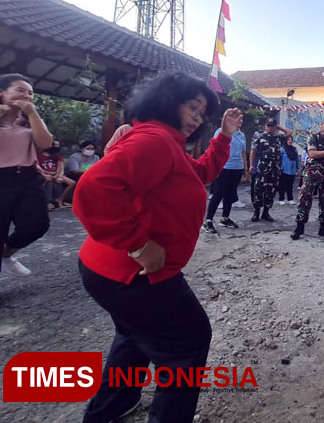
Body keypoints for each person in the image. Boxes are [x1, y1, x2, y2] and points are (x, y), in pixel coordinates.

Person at [73, 72, 242, 423]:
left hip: (110, 271)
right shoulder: (155, 140)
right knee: (188, 341)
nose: (197, 116)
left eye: (202, 110)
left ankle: (110, 408)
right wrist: (139, 245)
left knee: (134, 337)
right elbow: (94, 188)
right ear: (166, 100)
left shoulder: (166, 142)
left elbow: (201, 172)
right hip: (134, 274)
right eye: (190, 106)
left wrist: (224, 136)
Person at [0, 74, 53, 309]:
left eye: (30, 93)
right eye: (20, 90)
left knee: (37, 224)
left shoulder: (29, 120)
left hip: (26, 177)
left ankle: (6, 253)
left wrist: (32, 113)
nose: (27, 96)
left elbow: (45, 144)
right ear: (0, 91)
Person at [291, 116, 324, 239]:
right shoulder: (313, 137)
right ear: (321, 125)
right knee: (305, 199)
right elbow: (312, 153)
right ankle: (299, 227)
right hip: (312, 173)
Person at [203, 122, 248, 233]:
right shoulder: (221, 131)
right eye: (236, 118)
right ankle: (208, 221)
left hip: (237, 167)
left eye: (240, 118)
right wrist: (215, 167)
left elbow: (243, 153)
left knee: (230, 193)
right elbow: (214, 149)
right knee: (218, 193)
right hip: (224, 167)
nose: (238, 120)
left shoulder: (241, 135)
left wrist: (245, 169)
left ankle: (225, 218)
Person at [249, 117, 291, 222]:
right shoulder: (259, 137)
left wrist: (279, 127)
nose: (270, 128)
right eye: (268, 125)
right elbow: (253, 151)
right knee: (258, 189)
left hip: (275, 169)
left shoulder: (279, 138)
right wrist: (251, 165)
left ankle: (266, 212)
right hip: (263, 167)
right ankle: (256, 212)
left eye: (272, 126)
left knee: (271, 191)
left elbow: (290, 132)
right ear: (265, 125)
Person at [37, 139, 76, 210]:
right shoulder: (39, 156)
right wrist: (47, 173)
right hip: (44, 174)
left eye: (58, 145)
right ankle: (47, 202)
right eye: (55, 145)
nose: (57, 147)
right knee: (48, 180)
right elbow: (38, 167)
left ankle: (60, 199)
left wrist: (57, 175)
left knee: (72, 183)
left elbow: (60, 167)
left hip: (56, 174)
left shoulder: (56, 156)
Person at [278, 135, 301, 205]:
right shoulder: (282, 149)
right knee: (282, 185)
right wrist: (279, 168)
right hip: (284, 170)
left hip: (292, 170)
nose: (290, 141)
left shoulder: (295, 149)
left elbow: (297, 159)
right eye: (288, 139)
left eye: (291, 139)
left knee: (290, 185)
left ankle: (290, 198)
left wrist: (298, 168)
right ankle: (281, 199)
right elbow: (279, 159)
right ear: (286, 140)